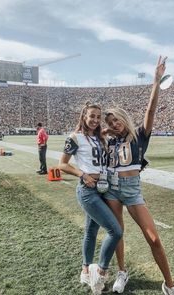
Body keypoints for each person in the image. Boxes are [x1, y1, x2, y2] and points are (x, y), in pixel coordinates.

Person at [103, 56, 174, 295]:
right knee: (116, 233)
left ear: (124, 118)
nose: (114, 124)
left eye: (116, 119)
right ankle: (122, 272)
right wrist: (102, 130)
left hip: (133, 191)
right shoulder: (110, 140)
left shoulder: (139, 135)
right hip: (113, 190)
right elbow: (85, 131)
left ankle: (169, 285)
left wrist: (156, 82)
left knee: (153, 238)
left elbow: (151, 109)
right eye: (110, 122)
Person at [58, 102, 123, 295]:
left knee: (91, 231)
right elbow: (61, 164)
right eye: (91, 116)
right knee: (115, 231)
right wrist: (81, 174)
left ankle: (85, 270)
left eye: (98, 117)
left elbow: (113, 130)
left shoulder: (98, 136)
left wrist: (113, 126)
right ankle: (100, 271)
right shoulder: (74, 137)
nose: (95, 120)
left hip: (103, 188)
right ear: (83, 116)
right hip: (88, 190)